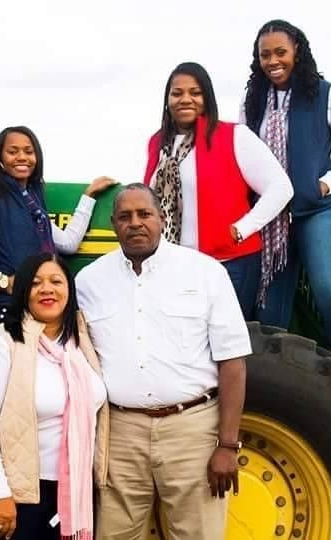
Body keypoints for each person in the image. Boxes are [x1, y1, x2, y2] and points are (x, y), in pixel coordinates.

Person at [76, 184, 250, 540]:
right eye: (125, 217)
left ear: (162, 218)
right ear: (113, 224)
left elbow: (233, 361)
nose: (135, 223)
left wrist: (227, 445)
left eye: (145, 214)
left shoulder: (204, 272)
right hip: (120, 435)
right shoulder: (89, 282)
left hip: (192, 430)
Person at [240, 19, 331, 379]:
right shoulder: (252, 101)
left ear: (298, 51)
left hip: (317, 211)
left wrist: (326, 183)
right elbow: (242, 154)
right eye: (265, 55)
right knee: (268, 314)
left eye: (281, 52)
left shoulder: (327, 95)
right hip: (271, 217)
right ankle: (270, 386)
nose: (273, 60)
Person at [0, 252, 108, 540]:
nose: (47, 289)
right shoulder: (0, 343)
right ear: (22, 292)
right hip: (15, 494)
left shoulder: (79, 345)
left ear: (69, 291)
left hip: (72, 490)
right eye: (36, 283)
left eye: (56, 281)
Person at [143, 61, 293, 320]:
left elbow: (281, 187)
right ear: (167, 99)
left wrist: (244, 228)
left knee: (225, 347)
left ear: (207, 98)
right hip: (174, 266)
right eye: (177, 93)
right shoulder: (158, 143)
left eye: (195, 92)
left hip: (227, 264)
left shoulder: (233, 136)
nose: (185, 99)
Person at [0, 125, 116, 331]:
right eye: (13, 152)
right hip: (7, 313)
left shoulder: (31, 202)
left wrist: (89, 196)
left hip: (38, 312)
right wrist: (1, 281)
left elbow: (68, 243)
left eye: (29, 152)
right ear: (0, 159)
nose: (22, 157)